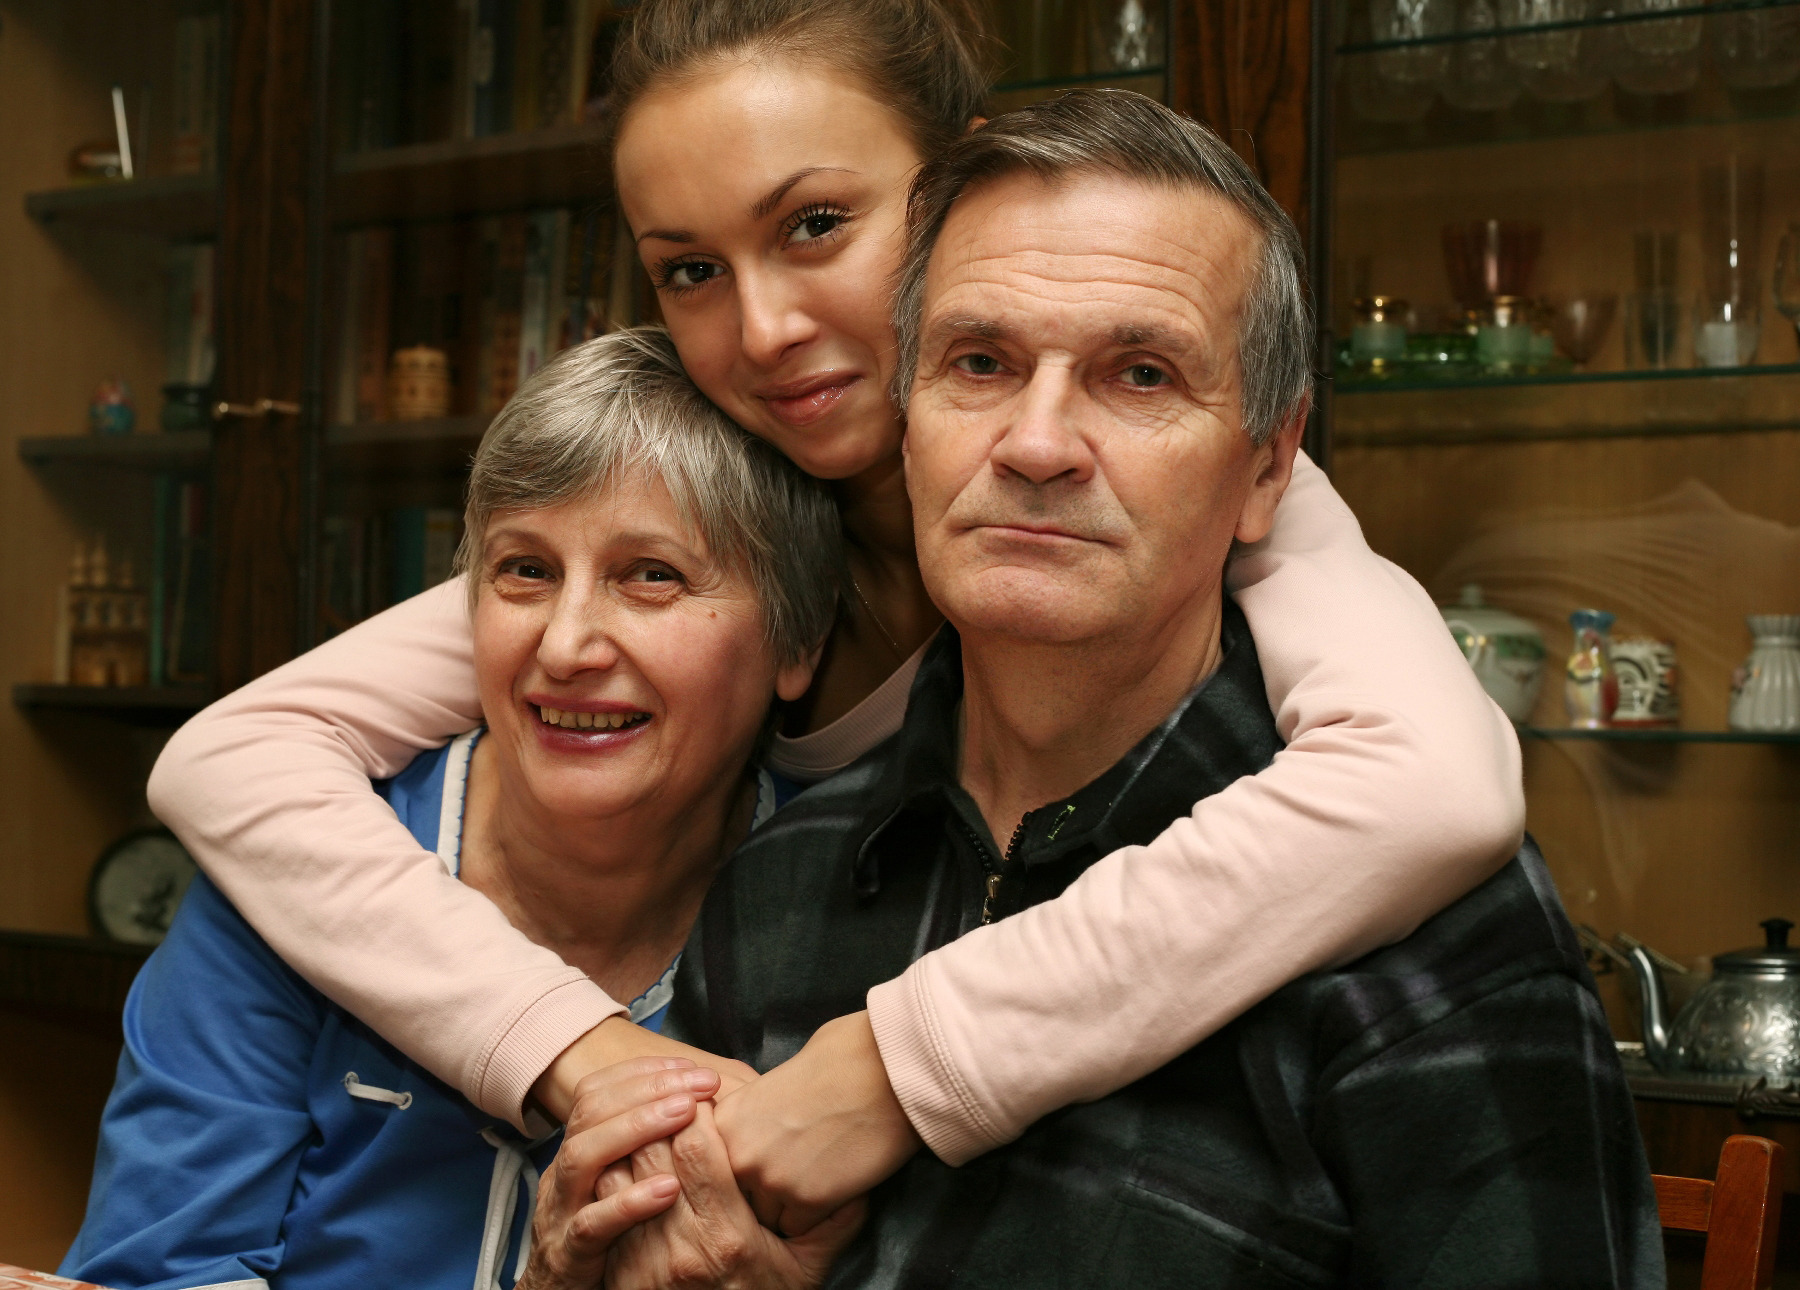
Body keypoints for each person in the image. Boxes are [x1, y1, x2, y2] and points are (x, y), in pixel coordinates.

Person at [145, 0, 1524, 1223]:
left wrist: (894, 1067)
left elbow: (1440, 785)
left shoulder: (1140, 483)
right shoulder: (704, 503)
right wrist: (584, 1048)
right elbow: (236, 758)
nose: (763, 330)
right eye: (690, 269)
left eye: (816, 227)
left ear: (968, 191)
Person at [529, 91, 1661, 1290]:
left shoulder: (1427, 927)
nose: (1037, 443)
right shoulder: (777, 887)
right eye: (979, 363)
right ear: (905, 424)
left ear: (1267, 468)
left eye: (1139, 376)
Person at [61, 331, 861, 1290]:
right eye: (524, 570)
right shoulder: (291, 876)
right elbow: (161, 1271)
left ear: (798, 642)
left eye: (652, 574)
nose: (565, 645)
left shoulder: (871, 893)